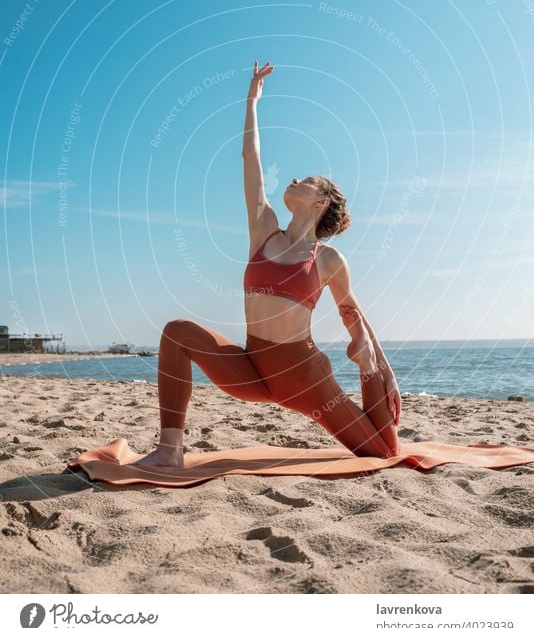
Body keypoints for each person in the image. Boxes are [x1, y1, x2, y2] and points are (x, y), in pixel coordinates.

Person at [136, 61, 402, 469]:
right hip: (252, 368)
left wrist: (380, 368)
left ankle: (365, 374)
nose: (294, 177)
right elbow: (250, 159)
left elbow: (354, 317)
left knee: (382, 452)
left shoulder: (327, 258)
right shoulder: (264, 232)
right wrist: (252, 101)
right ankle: (171, 449)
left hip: (304, 377)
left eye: (307, 180)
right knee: (176, 333)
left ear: (320, 202)